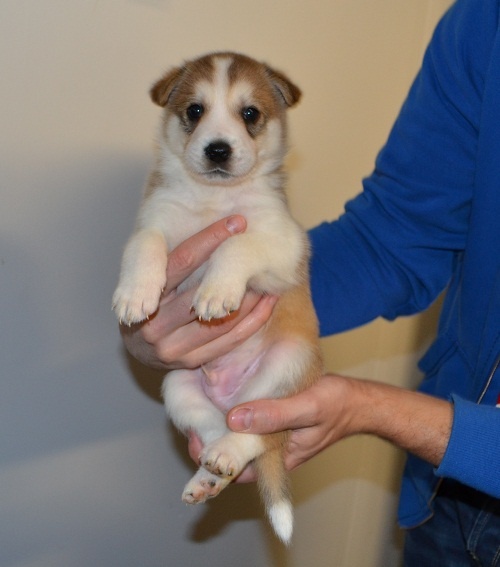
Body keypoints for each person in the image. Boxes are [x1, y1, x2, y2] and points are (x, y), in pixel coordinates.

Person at [120, 0, 500, 564]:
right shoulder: (484, 20)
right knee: (181, 392)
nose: (220, 134)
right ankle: (226, 438)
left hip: (453, 447)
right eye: (196, 112)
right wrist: (156, 318)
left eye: (249, 115)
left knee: (286, 360)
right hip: (447, 496)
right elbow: (394, 235)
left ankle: (243, 440)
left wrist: (375, 408)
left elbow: (278, 251)